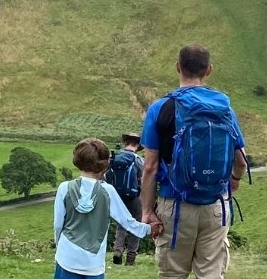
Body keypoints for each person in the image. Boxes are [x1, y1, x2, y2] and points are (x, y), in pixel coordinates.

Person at [141, 44, 249, 279]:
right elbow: (240, 161)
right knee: (210, 274)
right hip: (215, 205)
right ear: (208, 70)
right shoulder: (225, 109)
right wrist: (234, 180)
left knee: (173, 274)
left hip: (174, 204)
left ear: (177, 67)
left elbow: (150, 167)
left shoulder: (160, 108)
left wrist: (148, 211)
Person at [54, 138, 151, 279]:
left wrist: (59, 248)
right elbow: (128, 222)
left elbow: (58, 225)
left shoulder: (64, 188)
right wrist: (151, 229)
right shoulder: (108, 191)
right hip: (93, 264)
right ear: (105, 164)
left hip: (66, 258)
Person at [106, 132, 146, 266]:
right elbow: (144, 178)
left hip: (117, 196)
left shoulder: (115, 157)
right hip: (134, 197)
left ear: (125, 143)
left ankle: (117, 251)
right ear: (138, 145)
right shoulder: (138, 159)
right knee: (136, 224)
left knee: (121, 223)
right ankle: (130, 258)